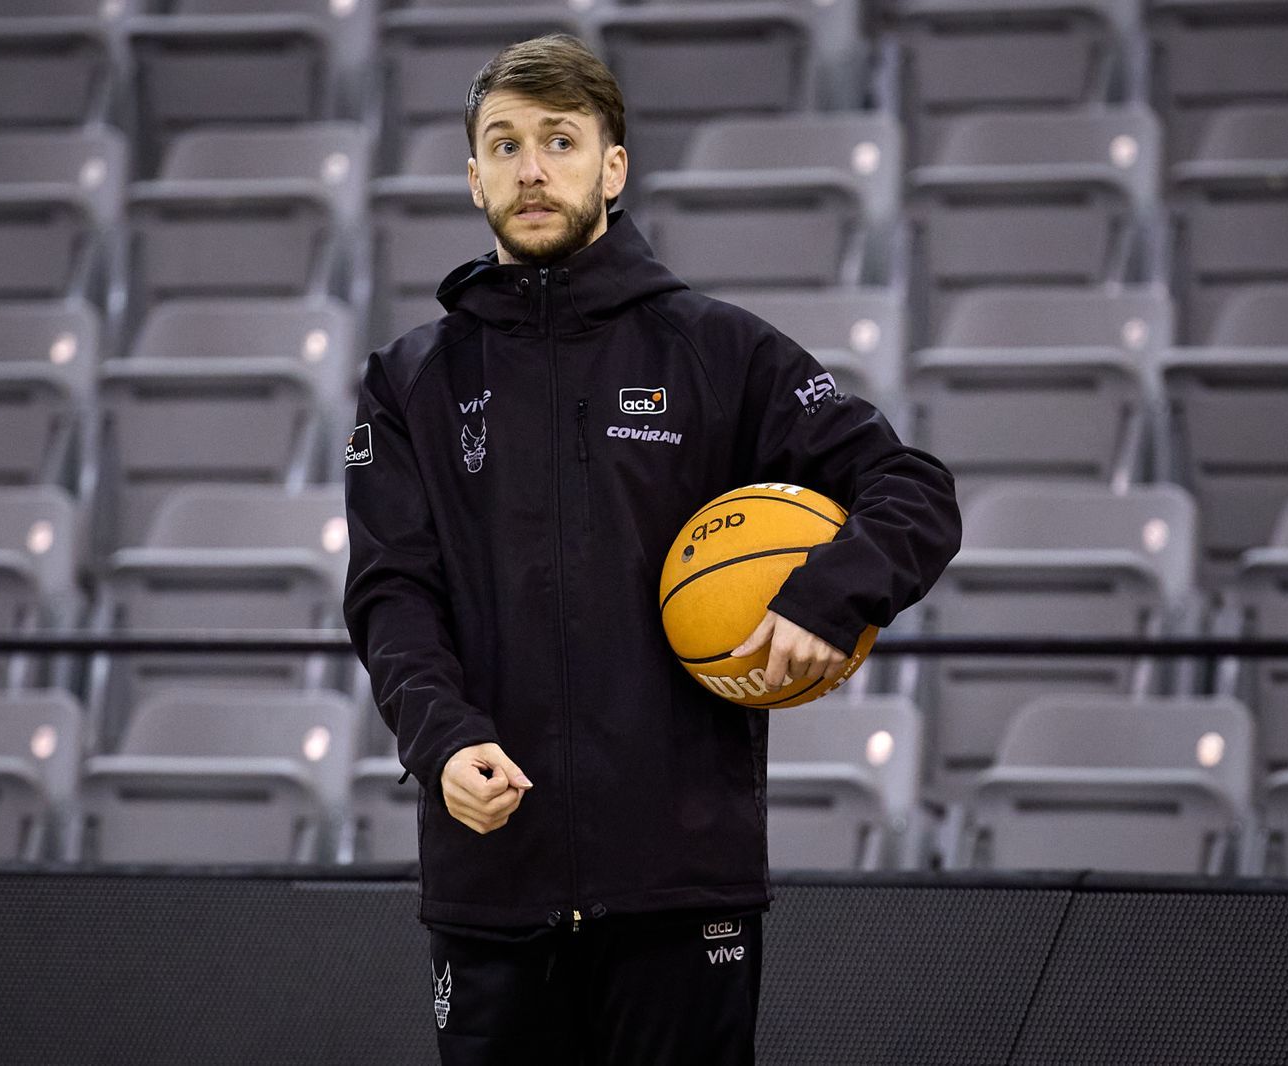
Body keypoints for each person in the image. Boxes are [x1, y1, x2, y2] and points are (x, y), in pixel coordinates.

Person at [342, 33, 961, 1066]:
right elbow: (391, 594)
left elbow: (913, 490)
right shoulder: (411, 382)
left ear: (612, 167)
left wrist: (827, 597)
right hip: (491, 886)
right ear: (472, 177)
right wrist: (440, 741)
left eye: (559, 140)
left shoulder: (716, 350)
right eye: (503, 146)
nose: (531, 169)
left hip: (682, 892)